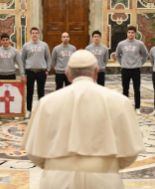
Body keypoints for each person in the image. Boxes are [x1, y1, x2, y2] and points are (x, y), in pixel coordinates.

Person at [22, 50, 145, 189]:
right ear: (96, 72)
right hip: (105, 179)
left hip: (57, 179)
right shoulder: (120, 101)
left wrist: (57, 165)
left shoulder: (46, 102)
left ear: (67, 74)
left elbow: (33, 153)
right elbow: (130, 153)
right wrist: (105, 165)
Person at [115, 26, 148, 115]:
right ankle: (126, 107)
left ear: (135, 33)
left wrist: (140, 63)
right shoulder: (121, 44)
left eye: (132, 32)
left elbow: (145, 55)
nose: (130, 34)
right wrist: (122, 63)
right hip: (125, 69)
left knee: (137, 89)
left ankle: (137, 107)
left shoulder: (139, 44)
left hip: (136, 70)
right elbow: (117, 55)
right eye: (129, 32)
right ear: (127, 33)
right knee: (125, 89)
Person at [21, 27, 51, 118]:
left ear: (39, 34)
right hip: (30, 71)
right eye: (33, 33)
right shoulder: (26, 45)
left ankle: (40, 110)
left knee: (41, 92)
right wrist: (23, 73)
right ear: (30, 34)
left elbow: (48, 58)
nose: (34, 34)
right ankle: (29, 110)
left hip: (41, 71)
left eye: (36, 33)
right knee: (29, 92)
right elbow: (22, 59)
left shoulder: (44, 45)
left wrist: (48, 70)